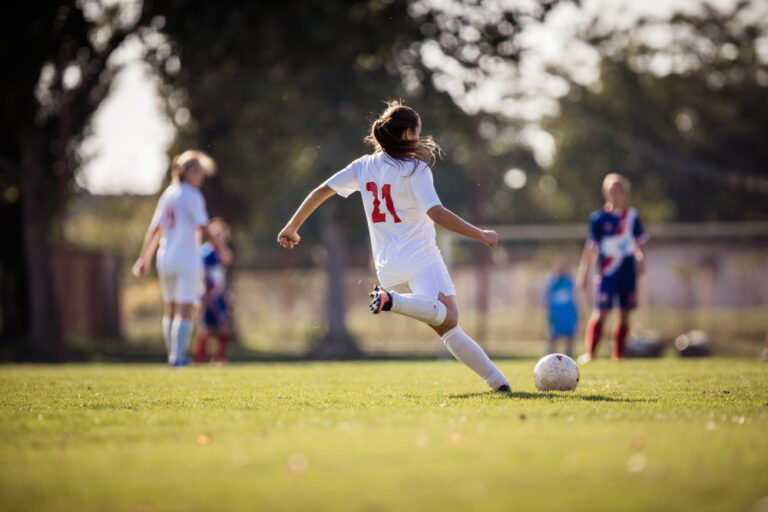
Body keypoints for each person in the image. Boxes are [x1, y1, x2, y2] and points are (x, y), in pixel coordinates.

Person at [277, 101, 510, 392]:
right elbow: (437, 214)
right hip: (421, 258)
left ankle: (498, 383)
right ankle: (392, 301)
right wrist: (481, 234)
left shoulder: (362, 166)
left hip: (387, 267)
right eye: (418, 131)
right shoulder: (416, 170)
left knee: (448, 328)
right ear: (406, 134)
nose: (420, 137)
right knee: (450, 315)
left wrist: (291, 227)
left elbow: (322, 190)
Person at [132, 150, 231, 367]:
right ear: (183, 172)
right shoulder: (192, 195)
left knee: (170, 307)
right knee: (184, 309)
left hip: (165, 258)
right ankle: (177, 359)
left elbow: (154, 229)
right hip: (187, 258)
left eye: (201, 172)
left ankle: (172, 356)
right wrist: (223, 249)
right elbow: (204, 227)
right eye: (196, 171)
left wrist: (144, 259)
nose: (200, 176)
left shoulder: (168, 194)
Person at [576, 173, 647, 363]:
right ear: (606, 192)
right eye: (612, 190)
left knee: (624, 314)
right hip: (607, 272)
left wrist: (641, 260)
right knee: (601, 312)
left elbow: (639, 244)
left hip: (627, 272)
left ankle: (618, 355)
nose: (616, 193)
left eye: (619, 189)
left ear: (625, 193)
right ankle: (590, 354)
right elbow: (591, 248)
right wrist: (583, 272)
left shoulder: (631, 216)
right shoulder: (598, 218)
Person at [194, 218, 234, 365]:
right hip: (209, 295)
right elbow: (204, 274)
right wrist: (204, 295)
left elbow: (227, 261)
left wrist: (227, 294)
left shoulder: (220, 253)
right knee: (207, 329)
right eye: (216, 234)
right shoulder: (206, 251)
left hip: (219, 295)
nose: (219, 237)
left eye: (222, 235)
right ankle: (199, 359)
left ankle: (218, 358)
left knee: (224, 327)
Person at [545, 262, 578, 357]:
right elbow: (548, 298)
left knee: (569, 336)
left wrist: (575, 313)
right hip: (556, 314)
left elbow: (574, 297)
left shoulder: (569, 282)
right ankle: (550, 355)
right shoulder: (553, 282)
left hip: (567, 313)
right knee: (553, 335)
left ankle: (569, 354)